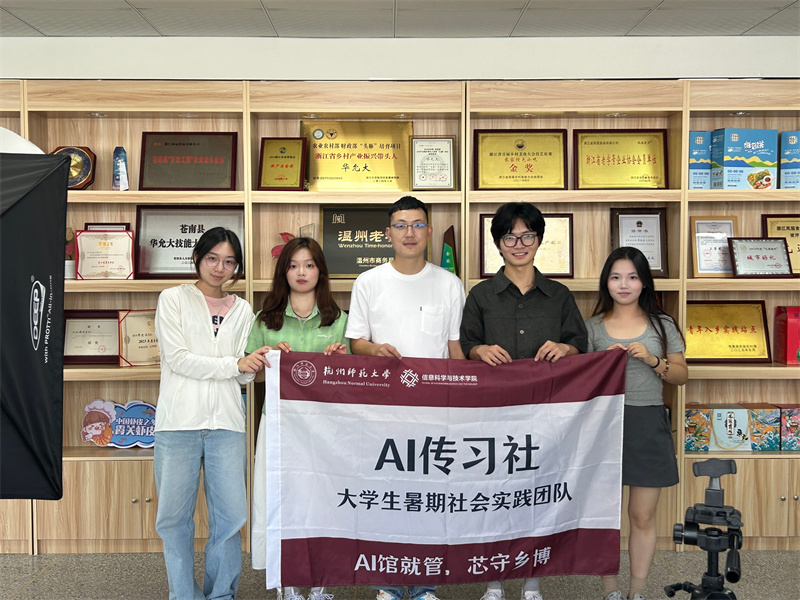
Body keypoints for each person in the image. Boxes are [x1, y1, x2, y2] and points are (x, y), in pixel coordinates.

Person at [459, 202, 588, 600]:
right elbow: (466, 343)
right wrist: (480, 351)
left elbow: (580, 343)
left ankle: (532, 583)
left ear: (539, 240)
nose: (519, 244)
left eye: (527, 235)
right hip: (493, 415)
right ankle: (493, 582)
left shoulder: (559, 296)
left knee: (537, 496)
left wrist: (565, 348)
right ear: (498, 244)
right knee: (494, 496)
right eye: (510, 237)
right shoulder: (481, 295)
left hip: (545, 415)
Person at [346, 195, 466, 600]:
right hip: (381, 411)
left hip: (433, 412)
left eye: (417, 225)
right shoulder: (369, 282)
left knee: (429, 499)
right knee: (385, 498)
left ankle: (424, 585)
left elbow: (455, 349)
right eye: (400, 225)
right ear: (388, 233)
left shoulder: (449, 283)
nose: (409, 233)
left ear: (429, 231)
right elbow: (356, 343)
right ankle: (387, 586)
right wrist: (374, 349)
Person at [154, 227, 271, 600]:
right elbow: (179, 359)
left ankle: (222, 595)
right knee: (174, 520)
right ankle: (183, 595)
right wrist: (235, 363)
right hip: (178, 424)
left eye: (229, 262)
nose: (220, 268)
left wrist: (256, 364)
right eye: (212, 259)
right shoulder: (173, 299)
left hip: (227, 424)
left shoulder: (244, 309)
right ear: (197, 259)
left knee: (231, 518)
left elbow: (241, 374)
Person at [247, 237, 349, 600]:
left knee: (324, 500)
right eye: (293, 266)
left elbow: (354, 381)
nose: (301, 272)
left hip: (326, 427)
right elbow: (251, 376)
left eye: (309, 265)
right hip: (279, 426)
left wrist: (342, 361)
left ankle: (321, 584)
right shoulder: (266, 319)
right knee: (281, 500)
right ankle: (286, 583)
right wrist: (267, 359)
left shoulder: (340, 320)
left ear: (321, 271)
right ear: (283, 272)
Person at [586, 246, 687, 600]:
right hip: (604, 424)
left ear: (644, 282)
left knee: (642, 515)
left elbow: (681, 376)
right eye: (616, 277)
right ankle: (610, 591)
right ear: (606, 282)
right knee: (606, 516)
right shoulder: (592, 327)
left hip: (647, 421)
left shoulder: (662, 324)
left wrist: (653, 360)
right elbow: (578, 380)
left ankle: (637, 592)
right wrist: (600, 361)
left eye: (632, 277)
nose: (624, 284)